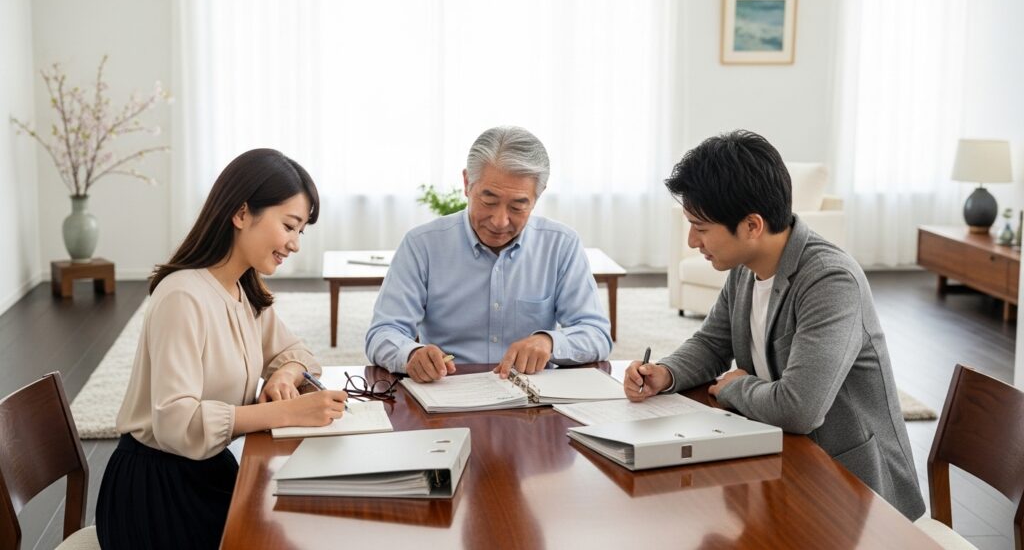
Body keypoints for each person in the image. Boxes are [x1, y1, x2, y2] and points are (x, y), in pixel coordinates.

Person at [624, 130, 925, 520]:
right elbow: (712, 343)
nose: (692, 241)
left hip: (854, 492)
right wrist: (665, 373)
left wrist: (737, 387)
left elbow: (800, 409)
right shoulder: (745, 268)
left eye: (701, 227)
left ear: (752, 226)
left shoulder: (831, 280)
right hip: (784, 458)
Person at [96, 149, 349, 549]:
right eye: (289, 226)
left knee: (310, 520)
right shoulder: (182, 296)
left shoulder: (242, 290)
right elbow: (175, 422)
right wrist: (287, 411)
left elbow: (297, 352)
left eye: (301, 232)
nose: (295, 244)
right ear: (241, 213)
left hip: (207, 472)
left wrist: (284, 375)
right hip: (156, 494)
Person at [365, 125, 612, 383]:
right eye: (489, 201)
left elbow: (596, 334)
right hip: (448, 391)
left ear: (537, 197)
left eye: (517, 206)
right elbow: (383, 332)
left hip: (532, 395)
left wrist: (549, 342)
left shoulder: (561, 244)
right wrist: (412, 354)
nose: (500, 221)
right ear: (467, 184)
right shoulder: (422, 245)